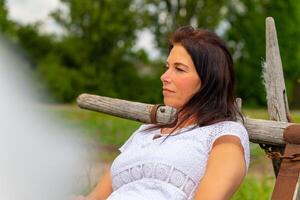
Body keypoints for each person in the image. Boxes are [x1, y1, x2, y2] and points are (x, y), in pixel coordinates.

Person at [76, 26, 250, 200]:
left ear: (209, 79)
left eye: (179, 69)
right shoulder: (145, 131)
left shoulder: (224, 135)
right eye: (167, 67)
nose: (164, 76)